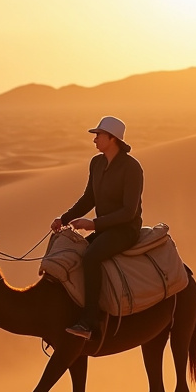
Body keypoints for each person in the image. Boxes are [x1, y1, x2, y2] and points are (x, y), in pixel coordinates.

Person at [51, 115, 143, 340]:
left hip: (125, 230)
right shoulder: (96, 163)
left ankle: (90, 321)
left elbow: (128, 212)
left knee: (91, 257)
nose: (94, 139)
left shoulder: (132, 168)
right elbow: (88, 198)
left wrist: (93, 224)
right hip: (105, 229)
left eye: (98, 135)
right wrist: (64, 218)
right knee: (75, 252)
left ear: (112, 138)